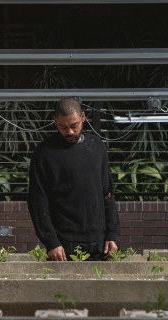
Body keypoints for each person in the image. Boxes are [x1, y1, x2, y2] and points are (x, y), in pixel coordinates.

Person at [27, 97, 120, 261]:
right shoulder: (44, 153)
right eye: (62, 126)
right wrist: (51, 242)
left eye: (74, 125)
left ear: (83, 117)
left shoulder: (97, 147)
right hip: (63, 244)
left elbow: (107, 193)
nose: (69, 131)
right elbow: (37, 201)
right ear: (55, 121)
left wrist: (112, 233)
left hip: (100, 242)